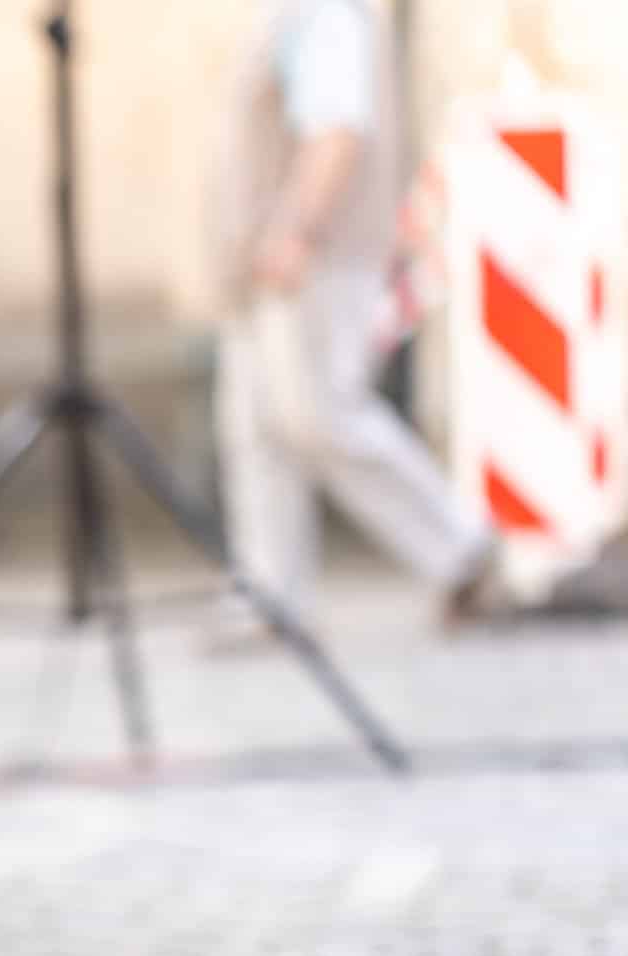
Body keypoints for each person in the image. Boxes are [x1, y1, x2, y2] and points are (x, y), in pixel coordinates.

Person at [214, 0, 501, 630]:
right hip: (273, 259)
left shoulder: (322, 15)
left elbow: (337, 132)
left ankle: (461, 549)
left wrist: (298, 230)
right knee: (262, 426)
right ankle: (269, 591)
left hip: (313, 257)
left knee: (321, 413)